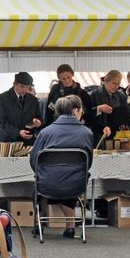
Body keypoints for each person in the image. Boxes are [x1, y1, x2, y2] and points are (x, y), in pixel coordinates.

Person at [30, 95, 93, 239]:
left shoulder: (45, 132)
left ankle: (39, 224)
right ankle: (70, 227)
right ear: (76, 110)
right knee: (70, 175)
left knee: (44, 181)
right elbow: (88, 163)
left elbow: (34, 160)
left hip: (47, 183)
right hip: (76, 185)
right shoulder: (87, 133)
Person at [0, 72, 41, 145]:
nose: (25, 90)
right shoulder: (2, 98)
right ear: (14, 84)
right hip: (8, 141)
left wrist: (38, 123)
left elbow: (38, 117)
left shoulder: (33, 100)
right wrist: (18, 132)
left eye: (27, 87)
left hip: (28, 141)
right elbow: (1, 121)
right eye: (22, 86)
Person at [89, 70, 130, 143]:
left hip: (115, 136)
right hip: (98, 135)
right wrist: (98, 109)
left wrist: (125, 125)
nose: (116, 86)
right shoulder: (94, 94)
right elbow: (88, 115)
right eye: (114, 83)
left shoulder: (122, 97)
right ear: (106, 81)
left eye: (118, 84)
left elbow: (125, 116)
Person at [43, 64, 93, 128]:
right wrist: (49, 127)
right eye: (63, 79)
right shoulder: (55, 91)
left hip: (76, 127)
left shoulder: (81, 93)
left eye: (68, 77)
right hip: (58, 126)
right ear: (59, 78)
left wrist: (84, 125)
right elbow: (49, 110)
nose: (67, 81)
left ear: (72, 74)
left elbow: (89, 112)